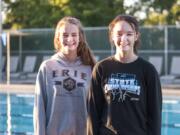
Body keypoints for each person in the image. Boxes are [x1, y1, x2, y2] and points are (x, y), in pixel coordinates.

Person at [87, 15, 162, 135]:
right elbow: (93, 111)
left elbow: (155, 115)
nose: (124, 38)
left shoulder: (148, 70)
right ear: (112, 35)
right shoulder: (101, 68)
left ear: (136, 36)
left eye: (129, 34)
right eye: (119, 34)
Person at [33, 16, 96, 135]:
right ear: (58, 38)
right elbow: (39, 109)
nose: (70, 39)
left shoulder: (90, 68)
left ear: (80, 37)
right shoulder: (47, 67)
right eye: (65, 35)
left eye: (74, 35)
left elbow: (95, 110)